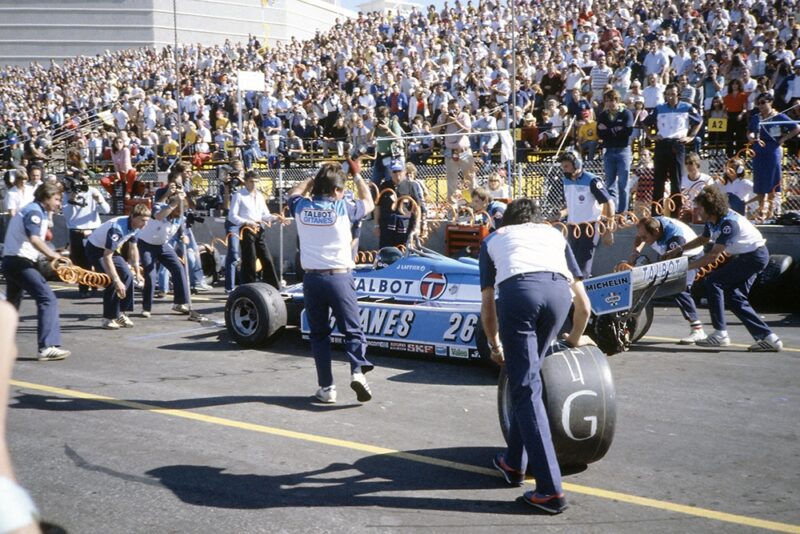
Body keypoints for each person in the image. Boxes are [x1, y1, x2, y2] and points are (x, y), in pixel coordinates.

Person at [479, 197, 592, 515]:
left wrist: (494, 344)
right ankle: (514, 463)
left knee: (525, 388)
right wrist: (573, 338)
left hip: (520, 296)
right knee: (527, 380)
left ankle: (550, 490)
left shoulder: (493, 240)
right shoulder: (554, 235)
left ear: (507, 222)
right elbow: (583, 305)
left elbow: (488, 305)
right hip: (558, 298)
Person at [288, 161, 375, 403]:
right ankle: (357, 371)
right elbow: (369, 202)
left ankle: (327, 388)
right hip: (339, 276)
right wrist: (357, 176)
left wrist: (309, 180)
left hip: (312, 278)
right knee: (353, 330)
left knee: (319, 335)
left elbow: (293, 194)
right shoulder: (342, 207)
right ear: (337, 191)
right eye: (342, 188)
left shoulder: (302, 206)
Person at [667, 185, 783, 351]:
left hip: (754, 257)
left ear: (710, 208)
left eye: (699, 208)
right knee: (735, 299)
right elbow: (704, 238)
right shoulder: (711, 220)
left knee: (714, 281)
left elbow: (712, 257)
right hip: (746, 257)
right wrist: (679, 249)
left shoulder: (729, 224)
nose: (696, 211)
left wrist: (684, 268)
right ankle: (770, 339)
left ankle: (720, 333)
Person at [0, 182, 71, 361]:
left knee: (11, 306)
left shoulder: (37, 211)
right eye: (56, 199)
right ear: (45, 198)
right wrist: (54, 256)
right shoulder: (34, 212)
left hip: (13, 261)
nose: (58, 204)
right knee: (47, 298)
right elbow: (34, 240)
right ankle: (47, 347)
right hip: (19, 262)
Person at [629, 216, 706, 344]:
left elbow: (670, 266)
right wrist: (635, 251)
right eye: (641, 236)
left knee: (680, 289)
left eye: (645, 238)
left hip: (689, 256)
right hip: (667, 251)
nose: (643, 240)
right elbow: (639, 236)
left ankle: (698, 330)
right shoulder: (651, 223)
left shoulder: (675, 239)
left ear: (656, 232)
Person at [85, 203, 150, 329]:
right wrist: (116, 280)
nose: (145, 224)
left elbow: (133, 247)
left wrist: (137, 271)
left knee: (128, 276)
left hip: (110, 251)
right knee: (110, 282)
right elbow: (106, 257)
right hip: (96, 250)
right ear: (133, 217)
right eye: (142, 220)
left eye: (147, 221)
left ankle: (121, 313)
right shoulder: (117, 229)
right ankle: (107, 318)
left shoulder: (137, 227)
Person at [646, 83, 702, 216]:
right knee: (658, 180)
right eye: (668, 94)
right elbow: (645, 122)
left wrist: (691, 136)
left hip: (677, 144)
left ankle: (676, 214)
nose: (670, 97)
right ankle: (656, 213)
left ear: (678, 95)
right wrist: (651, 135)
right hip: (662, 143)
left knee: (676, 181)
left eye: (673, 94)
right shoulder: (659, 108)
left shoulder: (686, 107)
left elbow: (699, 121)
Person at [136, 184, 191, 318]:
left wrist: (184, 237)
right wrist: (175, 202)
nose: (179, 214)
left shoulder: (181, 217)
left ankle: (180, 302)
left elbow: (182, 232)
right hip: (146, 243)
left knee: (178, 268)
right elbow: (159, 216)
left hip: (162, 245)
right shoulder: (159, 207)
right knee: (150, 274)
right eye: (178, 210)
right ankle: (146, 307)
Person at [559, 151, 615, 279]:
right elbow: (571, 205)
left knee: (583, 265)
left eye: (566, 166)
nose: (564, 169)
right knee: (572, 265)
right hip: (573, 227)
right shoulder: (566, 181)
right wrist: (560, 214)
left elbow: (609, 202)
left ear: (577, 164)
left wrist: (608, 230)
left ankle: (583, 293)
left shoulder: (591, 180)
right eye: (563, 166)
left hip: (590, 227)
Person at [747, 92, 800, 220]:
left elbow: (796, 128)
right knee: (760, 181)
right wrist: (752, 138)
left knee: (771, 182)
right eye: (758, 103)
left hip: (772, 150)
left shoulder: (779, 116)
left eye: (763, 103)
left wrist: (783, 139)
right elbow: (750, 132)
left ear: (770, 103)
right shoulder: (756, 117)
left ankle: (770, 211)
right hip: (758, 151)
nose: (760, 106)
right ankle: (761, 209)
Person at [227, 170, 281, 287]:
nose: (254, 184)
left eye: (256, 182)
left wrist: (276, 217)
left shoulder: (260, 196)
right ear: (245, 182)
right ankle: (249, 286)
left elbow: (264, 215)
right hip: (246, 229)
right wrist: (247, 222)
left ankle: (274, 286)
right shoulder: (239, 195)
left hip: (259, 229)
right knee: (249, 260)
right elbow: (232, 216)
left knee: (266, 258)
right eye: (251, 182)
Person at [63, 172, 111, 298]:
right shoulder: (67, 194)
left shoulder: (93, 191)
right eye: (81, 180)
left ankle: (99, 285)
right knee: (80, 262)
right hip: (76, 230)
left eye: (85, 180)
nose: (83, 183)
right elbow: (67, 215)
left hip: (93, 229)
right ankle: (83, 288)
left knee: (96, 260)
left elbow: (106, 210)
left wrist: (99, 200)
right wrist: (71, 198)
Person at [373, 160, 427, 248]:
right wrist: (376, 225)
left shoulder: (411, 186)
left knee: (404, 252)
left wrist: (417, 226)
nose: (397, 174)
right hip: (387, 226)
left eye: (399, 171)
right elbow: (377, 206)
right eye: (394, 171)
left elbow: (417, 208)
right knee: (386, 252)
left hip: (404, 227)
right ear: (390, 172)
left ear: (404, 171)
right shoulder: (384, 186)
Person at [597, 90, 634, 213]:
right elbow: (599, 133)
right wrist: (616, 129)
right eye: (607, 101)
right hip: (609, 151)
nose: (609, 103)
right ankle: (612, 213)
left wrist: (608, 130)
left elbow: (627, 131)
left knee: (623, 184)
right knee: (610, 184)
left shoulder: (626, 113)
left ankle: (622, 213)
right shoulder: (603, 115)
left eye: (611, 100)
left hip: (623, 151)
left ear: (617, 100)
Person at [435, 99, 475, 201]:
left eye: (456, 109)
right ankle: (451, 212)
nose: (453, 111)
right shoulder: (444, 117)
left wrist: (455, 121)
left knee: (470, 178)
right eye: (451, 109)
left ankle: (476, 205)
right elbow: (434, 131)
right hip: (450, 152)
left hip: (464, 151)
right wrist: (444, 120)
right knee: (451, 182)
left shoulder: (464, 116)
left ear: (459, 108)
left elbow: (467, 130)